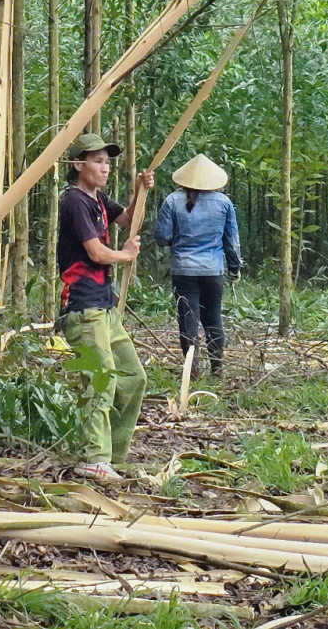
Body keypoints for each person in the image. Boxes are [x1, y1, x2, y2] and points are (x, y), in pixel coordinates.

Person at [56, 131, 153, 482]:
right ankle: (93, 457)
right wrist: (125, 256)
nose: (104, 167)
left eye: (107, 162)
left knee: (132, 377)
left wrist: (141, 188)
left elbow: (125, 219)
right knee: (100, 380)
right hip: (83, 307)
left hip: (105, 307)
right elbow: (96, 252)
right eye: (97, 161)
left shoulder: (97, 199)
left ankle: (113, 455)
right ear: (78, 165)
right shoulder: (74, 202)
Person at [154, 154, 242, 377]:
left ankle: (191, 370)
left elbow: (162, 237)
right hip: (213, 270)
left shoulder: (172, 201)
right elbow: (231, 241)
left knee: (188, 319)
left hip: (183, 270)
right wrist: (235, 268)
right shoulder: (224, 203)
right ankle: (217, 367)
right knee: (213, 317)